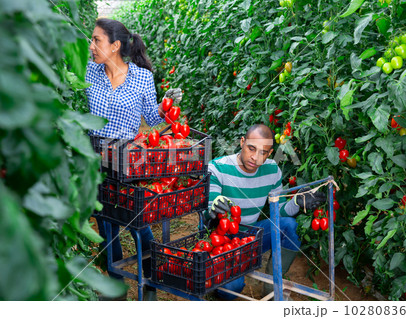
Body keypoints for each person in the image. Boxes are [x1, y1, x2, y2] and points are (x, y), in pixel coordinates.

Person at [85, 18, 182, 301]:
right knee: (106, 222)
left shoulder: (141, 77)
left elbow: (152, 119)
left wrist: (168, 104)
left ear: (115, 46)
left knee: (136, 219)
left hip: (128, 159)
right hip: (95, 157)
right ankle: (115, 288)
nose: (91, 46)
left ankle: (152, 276)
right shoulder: (90, 72)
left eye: (97, 40)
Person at [205, 124, 326, 300]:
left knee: (291, 226)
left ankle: (271, 288)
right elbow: (210, 205)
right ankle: (221, 281)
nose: (255, 157)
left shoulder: (272, 170)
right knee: (231, 289)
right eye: (251, 148)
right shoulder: (218, 168)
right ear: (242, 142)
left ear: (269, 154)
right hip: (221, 237)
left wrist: (297, 202)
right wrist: (215, 206)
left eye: (263, 152)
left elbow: (280, 212)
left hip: (250, 235)